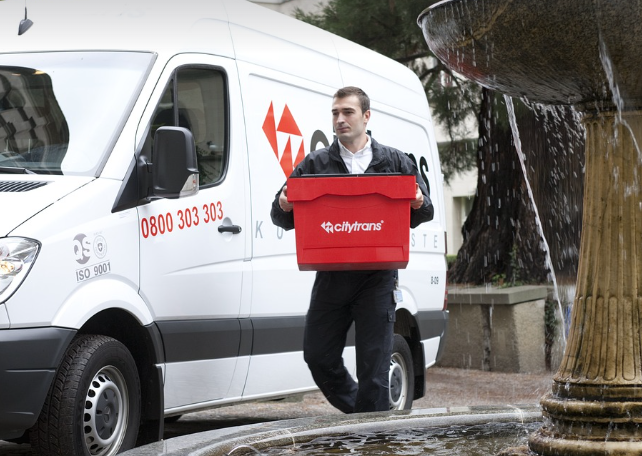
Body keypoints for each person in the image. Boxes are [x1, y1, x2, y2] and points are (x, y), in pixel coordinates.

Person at [270, 86, 434, 413]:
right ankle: (363, 415)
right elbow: (280, 215)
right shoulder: (315, 163)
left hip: (377, 278)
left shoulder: (395, 161)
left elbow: (424, 211)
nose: (340, 119)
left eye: (348, 112)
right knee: (318, 355)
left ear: (366, 116)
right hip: (331, 277)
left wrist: (418, 200)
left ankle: (371, 434)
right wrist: (283, 204)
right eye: (335, 113)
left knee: (374, 369)